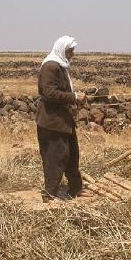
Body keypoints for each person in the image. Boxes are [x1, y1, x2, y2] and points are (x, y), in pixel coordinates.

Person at [36, 35, 93, 202]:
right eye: (70, 51)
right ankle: (49, 193)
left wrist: (75, 98)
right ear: (62, 50)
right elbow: (49, 93)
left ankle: (75, 189)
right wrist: (74, 97)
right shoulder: (50, 67)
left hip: (63, 120)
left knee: (72, 154)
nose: (72, 54)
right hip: (52, 121)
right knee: (55, 157)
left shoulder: (60, 66)